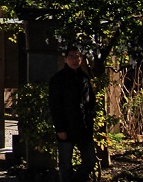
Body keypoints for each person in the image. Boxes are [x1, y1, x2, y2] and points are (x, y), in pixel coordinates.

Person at [49, 46, 98, 182]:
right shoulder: (58, 79)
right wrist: (60, 128)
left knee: (90, 160)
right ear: (65, 59)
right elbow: (55, 106)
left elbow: (91, 101)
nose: (75, 60)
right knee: (65, 164)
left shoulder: (84, 78)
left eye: (77, 57)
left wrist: (90, 118)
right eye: (71, 57)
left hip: (84, 127)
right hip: (66, 126)